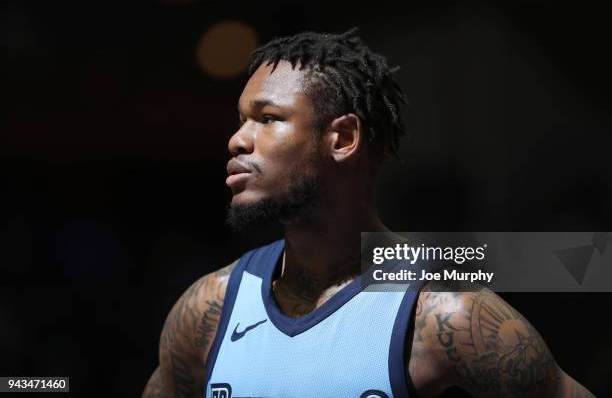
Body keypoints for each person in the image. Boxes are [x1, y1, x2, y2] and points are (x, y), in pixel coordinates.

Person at [142, 29, 593, 397]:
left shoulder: (446, 314)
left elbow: (584, 264)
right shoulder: (208, 308)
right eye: (241, 120)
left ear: (342, 138)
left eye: (267, 118)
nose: (238, 140)